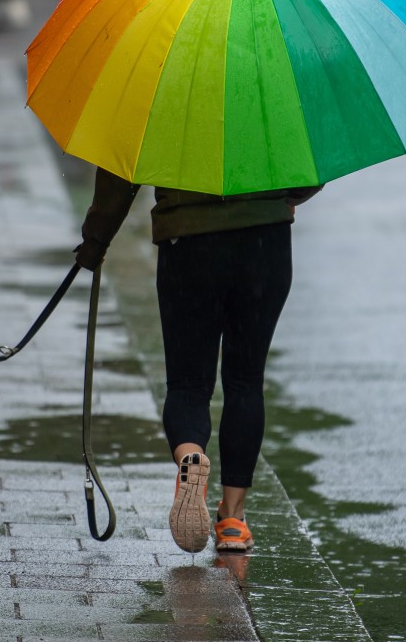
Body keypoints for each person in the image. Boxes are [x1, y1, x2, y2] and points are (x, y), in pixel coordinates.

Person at [75, 167, 321, 553]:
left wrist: (96, 239)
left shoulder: (164, 102)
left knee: (189, 383)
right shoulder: (267, 103)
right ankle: (234, 522)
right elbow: (309, 162)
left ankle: (191, 454)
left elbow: (123, 165)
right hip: (265, 238)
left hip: (187, 239)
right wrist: (284, 196)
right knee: (245, 380)